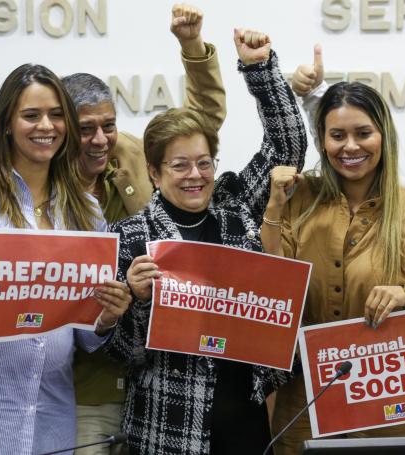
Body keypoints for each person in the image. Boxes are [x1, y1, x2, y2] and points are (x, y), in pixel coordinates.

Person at [103, 28, 307, 455]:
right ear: (155, 174)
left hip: (247, 426)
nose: (195, 175)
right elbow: (123, 353)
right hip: (166, 431)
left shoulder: (234, 211)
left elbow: (286, 147)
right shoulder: (128, 237)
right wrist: (137, 301)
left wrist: (260, 70)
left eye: (204, 162)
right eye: (179, 165)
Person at [0, 63, 132, 455]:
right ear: (7, 124)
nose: (45, 126)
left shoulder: (86, 211)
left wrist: (108, 318)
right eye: (31, 115)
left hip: (51, 419)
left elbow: (85, 334)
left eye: (55, 115)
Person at [58, 5, 226, 453]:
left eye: (108, 126)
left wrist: (192, 47)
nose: (100, 140)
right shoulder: (40, 187)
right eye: (85, 129)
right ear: (61, 131)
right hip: (83, 388)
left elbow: (202, 122)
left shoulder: (136, 155)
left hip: (151, 388)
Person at [261, 80, 405, 453]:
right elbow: (273, 290)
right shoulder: (299, 199)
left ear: (384, 136)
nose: (350, 147)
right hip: (306, 403)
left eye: (363, 133)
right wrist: (273, 210)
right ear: (322, 140)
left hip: (392, 404)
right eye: (337, 135)